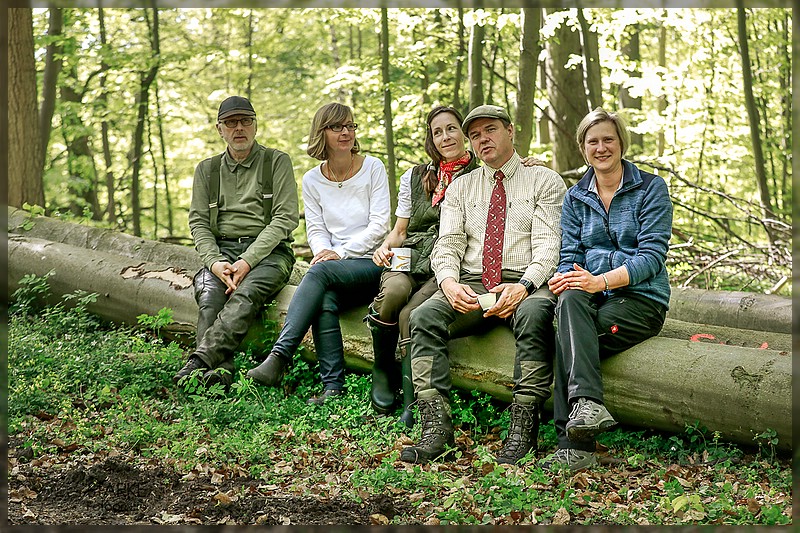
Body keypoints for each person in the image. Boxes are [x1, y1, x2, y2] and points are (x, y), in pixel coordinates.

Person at [399, 105, 567, 464]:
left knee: (536, 313)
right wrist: (447, 282)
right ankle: (436, 430)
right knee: (423, 316)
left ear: (510, 130)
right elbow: (448, 244)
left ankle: (523, 428)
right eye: (474, 135)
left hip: (527, 281)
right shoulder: (462, 186)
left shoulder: (545, 181)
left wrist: (523, 286)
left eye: (490, 130)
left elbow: (549, 246)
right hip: (473, 282)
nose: (482, 139)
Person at [541, 107, 673, 472]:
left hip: (641, 300)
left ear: (621, 143)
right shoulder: (575, 197)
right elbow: (569, 256)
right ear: (583, 147)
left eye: (608, 139)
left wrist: (600, 278)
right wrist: (566, 277)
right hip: (591, 297)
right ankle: (588, 408)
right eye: (593, 141)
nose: (601, 147)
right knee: (568, 296)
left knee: (567, 341)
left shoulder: (650, 187)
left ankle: (573, 445)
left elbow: (651, 257)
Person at [247, 102, 390, 405]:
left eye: (350, 126)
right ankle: (333, 388)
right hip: (334, 270)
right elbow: (315, 229)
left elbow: (380, 227)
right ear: (321, 133)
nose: (346, 132)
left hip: (373, 264)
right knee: (324, 298)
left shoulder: (373, 168)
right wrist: (323, 251)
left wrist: (337, 253)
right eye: (337, 127)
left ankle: (280, 355)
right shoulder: (313, 180)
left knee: (320, 273)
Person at [174, 95, 299, 389]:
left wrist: (247, 261)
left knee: (247, 293)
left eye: (245, 121)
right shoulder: (207, 170)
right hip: (222, 251)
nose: (238, 128)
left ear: (255, 126)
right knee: (209, 296)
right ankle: (223, 371)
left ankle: (200, 361)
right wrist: (216, 262)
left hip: (271, 253)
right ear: (220, 129)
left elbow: (284, 219)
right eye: (231, 123)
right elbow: (199, 223)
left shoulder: (276, 162)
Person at [366, 105, 479, 426]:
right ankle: (382, 368)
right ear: (431, 139)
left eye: (451, 128)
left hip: (445, 261)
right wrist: (384, 248)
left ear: (464, 132)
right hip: (410, 253)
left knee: (410, 314)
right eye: (438, 132)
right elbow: (400, 230)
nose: (446, 137)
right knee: (393, 293)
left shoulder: (480, 173)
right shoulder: (416, 175)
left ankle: (412, 397)